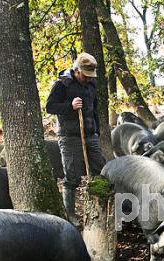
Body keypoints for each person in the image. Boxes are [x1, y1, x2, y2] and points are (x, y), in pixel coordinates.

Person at [46, 52, 106, 222]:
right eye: (86, 76)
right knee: (72, 176)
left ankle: (99, 210)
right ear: (77, 70)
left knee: (100, 171)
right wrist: (70, 106)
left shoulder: (91, 84)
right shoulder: (62, 84)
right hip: (69, 136)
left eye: (90, 76)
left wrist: (96, 130)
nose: (88, 79)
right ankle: (70, 215)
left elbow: (93, 109)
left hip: (89, 134)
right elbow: (50, 107)